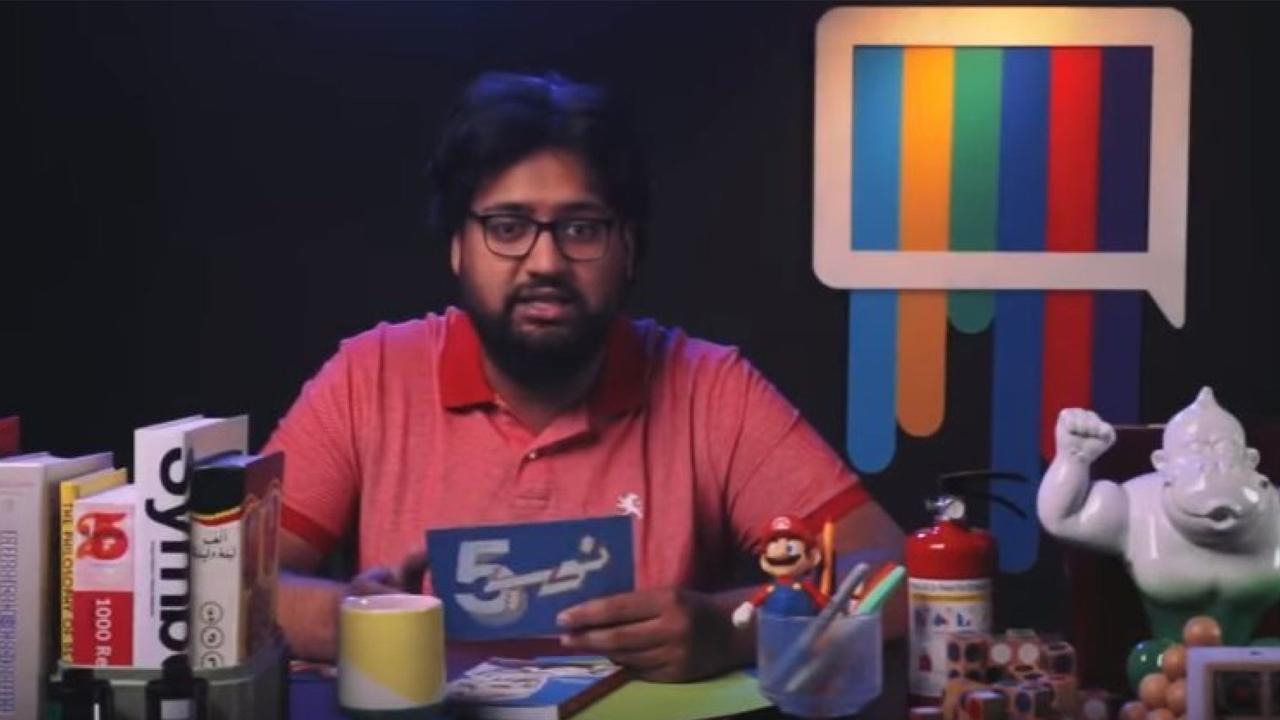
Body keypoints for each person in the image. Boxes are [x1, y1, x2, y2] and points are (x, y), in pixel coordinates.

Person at [268, 71, 904, 682]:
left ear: (628, 248)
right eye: (507, 227)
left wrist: (733, 629)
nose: (545, 262)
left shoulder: (711, 389)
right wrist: (353, 619)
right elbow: (235, 583)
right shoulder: (369, 377)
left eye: (581, 228)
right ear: (457, 246)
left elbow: (896, 577)